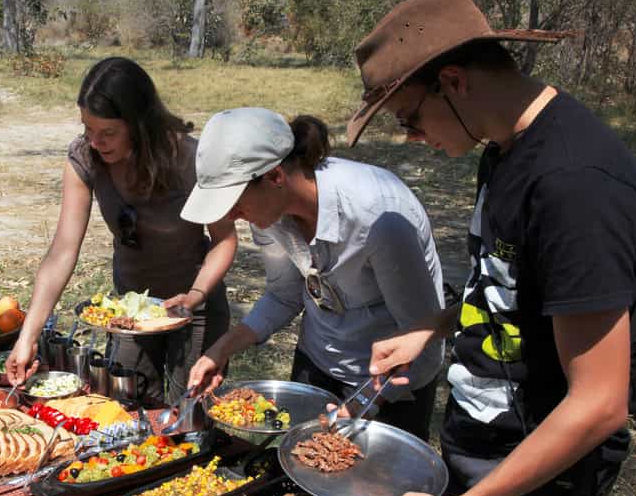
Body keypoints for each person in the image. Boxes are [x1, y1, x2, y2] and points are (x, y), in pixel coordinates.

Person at [348, 0, 636, 496]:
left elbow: (600, 404)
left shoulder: (577, 184)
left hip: (538, 473)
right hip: (487, 444)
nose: (415, 140)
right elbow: (503, 281)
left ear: (452, 81)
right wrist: (431, 327)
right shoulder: (503, 148)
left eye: (410, 118)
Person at [183, 108, 445, 441]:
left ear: (276, 176)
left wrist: (361, 405)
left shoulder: (379, 217)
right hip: (320, 359)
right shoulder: (270, 214)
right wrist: (221, 348)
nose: (231, 215)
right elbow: (283, 295)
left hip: (392, 383)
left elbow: (420, 335)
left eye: (234, 201)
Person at [6, 57, 237, 405]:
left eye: (108, 132)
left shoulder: (190, 158)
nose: (95, 142)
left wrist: (195, 295)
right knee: (126, 408)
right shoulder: (84, 158)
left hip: (194, 307)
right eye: (88, 129)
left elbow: (224, 239)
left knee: (189, 415)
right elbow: (62, 252)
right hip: (130, 312)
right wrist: (28, 337)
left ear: (139, 123)